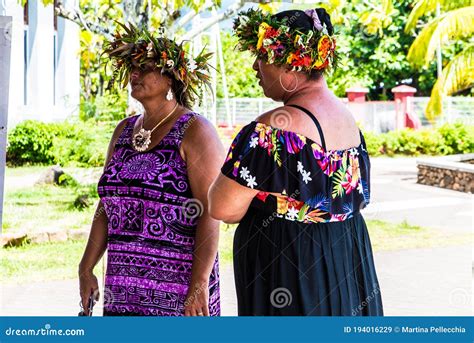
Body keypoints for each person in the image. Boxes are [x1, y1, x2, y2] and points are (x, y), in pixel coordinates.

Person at [209, 8, 384, 316]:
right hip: (347, 258)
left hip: (290, 270)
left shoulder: (272, 130)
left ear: (289, 64)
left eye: (261, 57)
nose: (254, 67)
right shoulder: (349, 123)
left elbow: (223, 207)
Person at [78, 23, 223, 316]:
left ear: (171, 79)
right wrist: (86, 266)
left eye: (145, 68)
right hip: (123, 288)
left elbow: (211, 212)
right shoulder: (123, 131)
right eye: (133, 68)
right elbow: (106, 206)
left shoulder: (195, 131)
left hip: (177, 291)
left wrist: (199, 284)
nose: (135, 74)